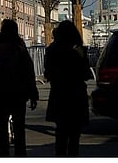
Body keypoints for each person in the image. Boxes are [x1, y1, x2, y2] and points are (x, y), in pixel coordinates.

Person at [0, 19, 39, 156]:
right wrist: (33, 94)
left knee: (1, 128)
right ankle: (20, 155)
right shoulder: (19, 49)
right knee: (19, 128)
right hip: (18, 93)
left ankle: (3, 155)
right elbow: (29, 73)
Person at [43, 20, 90, 156]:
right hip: (76, 94)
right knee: (75, 135)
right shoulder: (79, 50)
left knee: (61, 133)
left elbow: (48, 73)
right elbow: (86, 73)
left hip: (59, 94)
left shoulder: (52, 50)